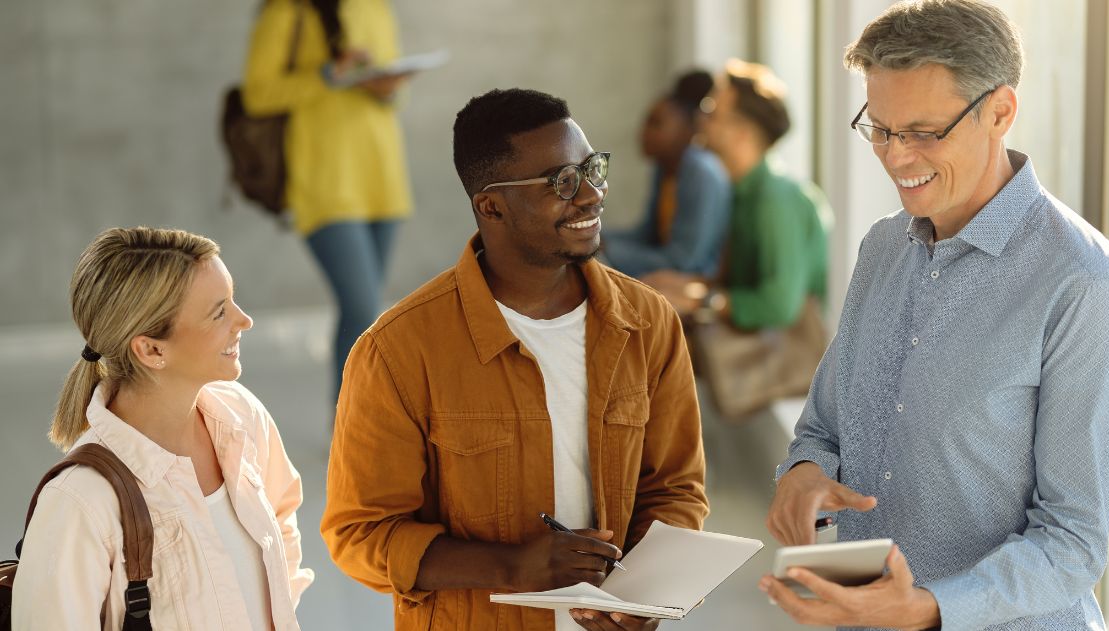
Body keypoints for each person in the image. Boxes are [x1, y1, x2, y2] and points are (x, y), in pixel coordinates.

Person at [760, 2, 1109, 629]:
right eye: (881, 130)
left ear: (1000, 111)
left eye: (923, 132)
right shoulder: (883, 249)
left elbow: (1075, 541)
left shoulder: (1087, 287)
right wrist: (805, 471)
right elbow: (826, 426)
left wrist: (929, 608)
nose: (895, 157)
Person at [321, 88, 709, 631]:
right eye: (561, 182)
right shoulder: (398, 350)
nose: (592, 194)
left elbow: (674, 489)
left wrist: (642, 597)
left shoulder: (648, 322)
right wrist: (511, 567)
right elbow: (359, 534)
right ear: (491, 206)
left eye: (592, 169)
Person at [12, 227, 313, 630]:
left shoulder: (241, 418)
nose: (245, 320)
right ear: (152, 350)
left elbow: (282, 522)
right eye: (219, 311)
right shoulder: (79, 503)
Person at [243, 0, 415, 401]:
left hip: (381, 176)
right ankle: (351, 428)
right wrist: (327, 76)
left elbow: (398, 99)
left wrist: (386, 89)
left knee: (362, 312)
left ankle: (348, 426)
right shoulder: (286, 12)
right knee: (361, 306)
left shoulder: (376, 9)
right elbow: (257, 94)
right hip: (325, 181)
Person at [643, 60, 830, 332]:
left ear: (742, 133)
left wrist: (701, 300)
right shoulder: (741, 191)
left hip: (779, 365)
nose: (699, 120)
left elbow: (779, 305)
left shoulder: (776, 199)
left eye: (711, 112)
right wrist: (682, 286)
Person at [603, 70, 732, 278]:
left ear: (688, 128)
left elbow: (685, 262)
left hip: (695, 285)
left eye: (656, 123)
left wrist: (607, 249)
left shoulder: (700, 171)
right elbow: (647, 235)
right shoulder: (665, 168)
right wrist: (593, 237)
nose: (643, 132)